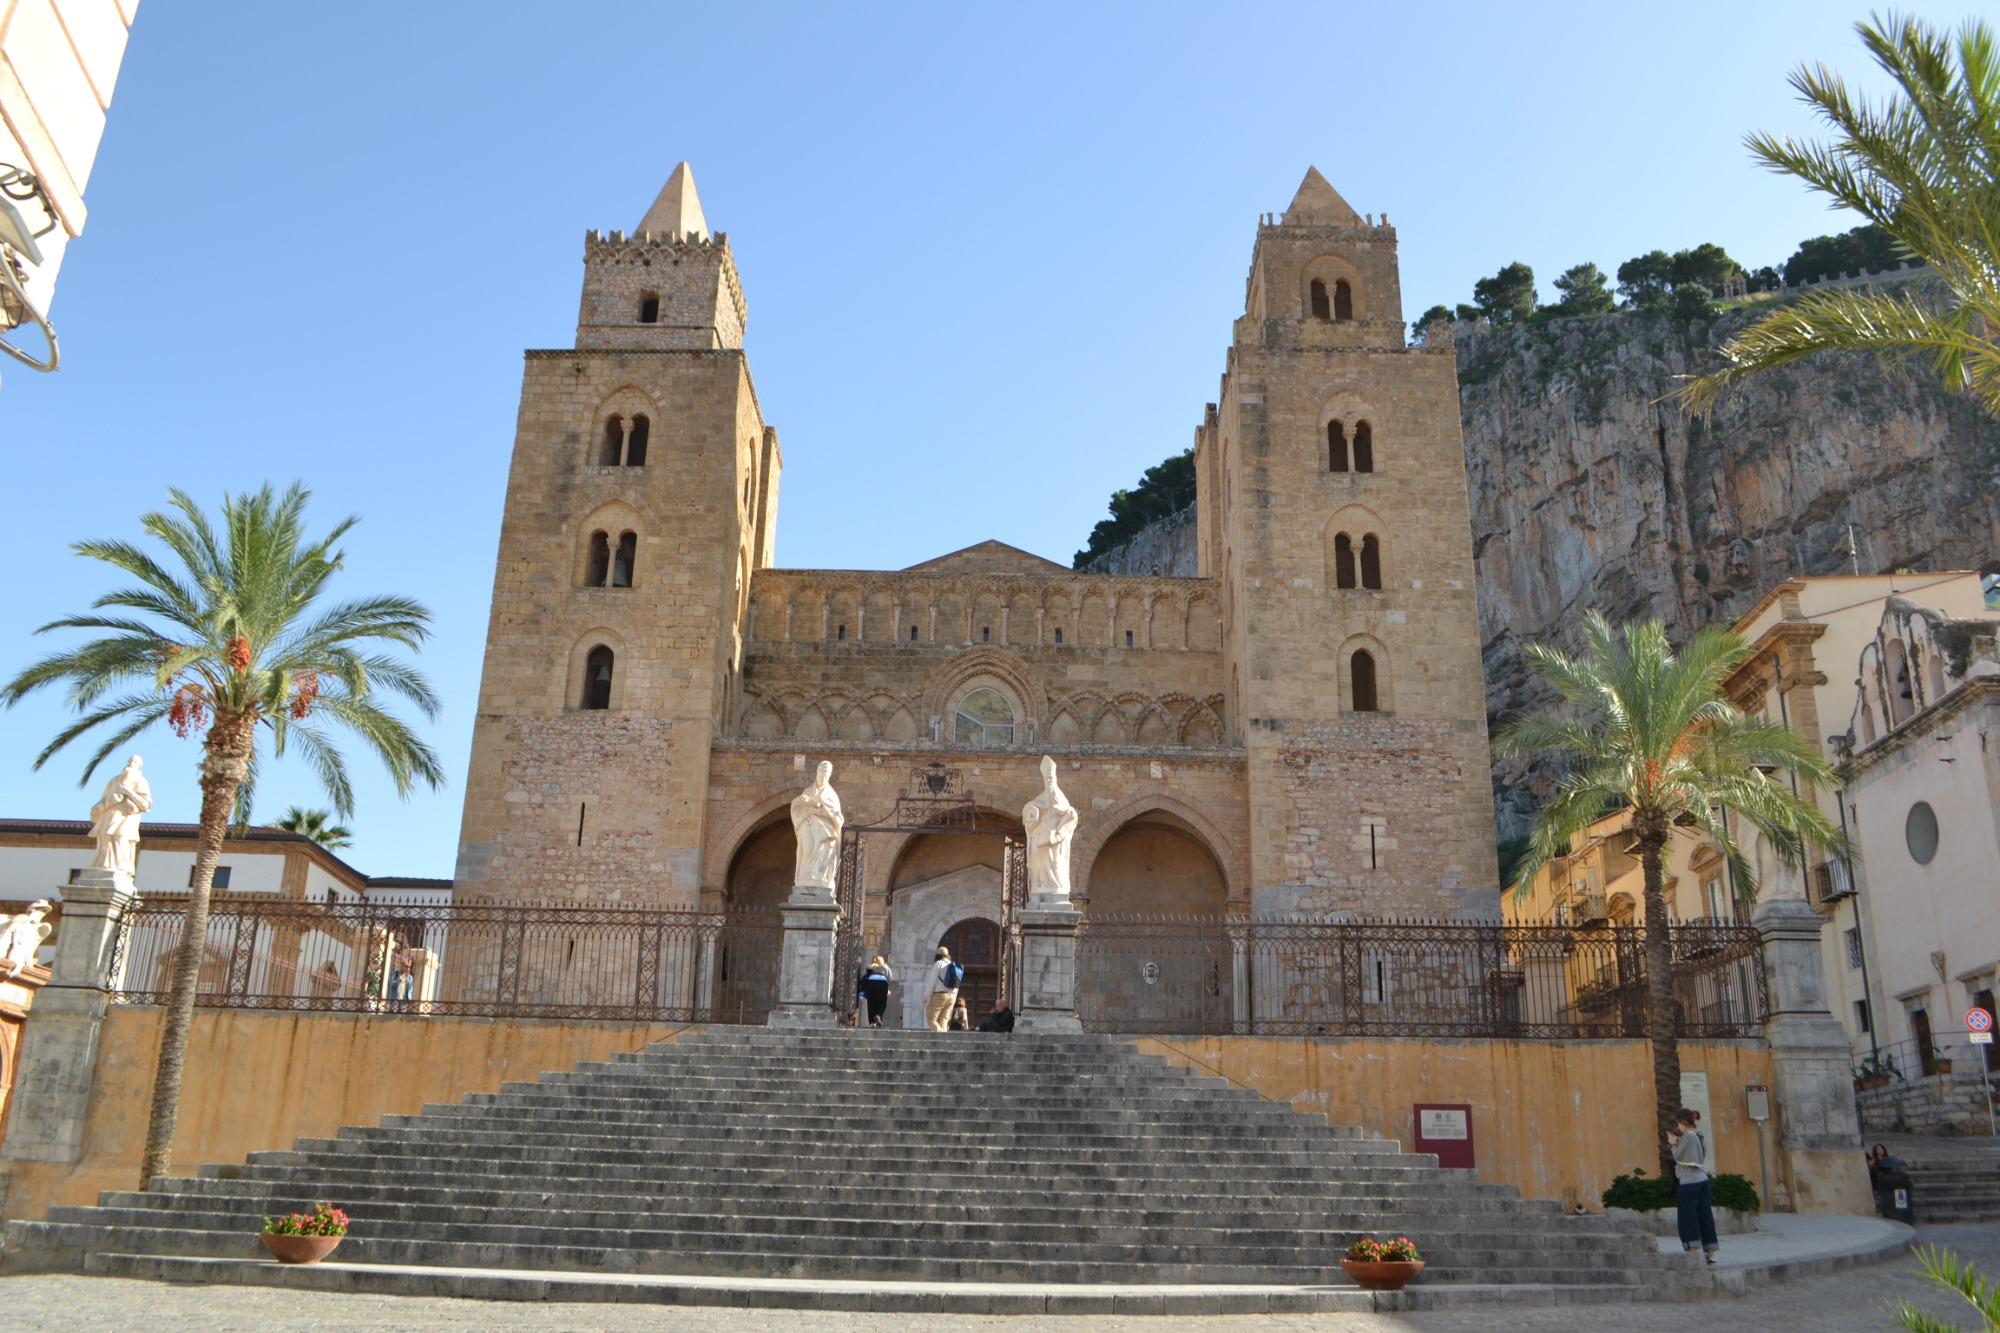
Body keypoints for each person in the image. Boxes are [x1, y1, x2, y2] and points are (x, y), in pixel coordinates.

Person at [1668, 1107, 1718, 1266]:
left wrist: (1673, 1144)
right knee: (1705, 1216)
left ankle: (1692, 1252)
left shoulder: (1688, 1137)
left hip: (1688, 1182)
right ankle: (1710, 1253)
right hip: (1702, 1180)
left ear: (1682, 1121)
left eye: (1678, 1122)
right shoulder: (1699, 1135)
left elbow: (1680, 1156)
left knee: (1687, 1218)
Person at [925, 946, 960, 1032]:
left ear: (938, 955)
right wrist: (954, 997)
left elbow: (932, 981)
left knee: (931, 1019)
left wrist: (926, 995)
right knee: (943, 1021)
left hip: (939, 995)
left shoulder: (938, 964)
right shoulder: (953, 966)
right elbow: (957, 984)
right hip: (952, 996)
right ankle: (943, 1041)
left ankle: (940, 1034)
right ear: (948, 955)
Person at [859, 955, 894, 1028]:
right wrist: (888, 989)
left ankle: (872, 1023)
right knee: (881, 1003)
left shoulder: (871, 966)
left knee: (871, 1004)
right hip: (882, 983)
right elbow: (890, 978)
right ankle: (878, 1015)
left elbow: (864, 977)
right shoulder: (885, 967)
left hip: (871, 982)